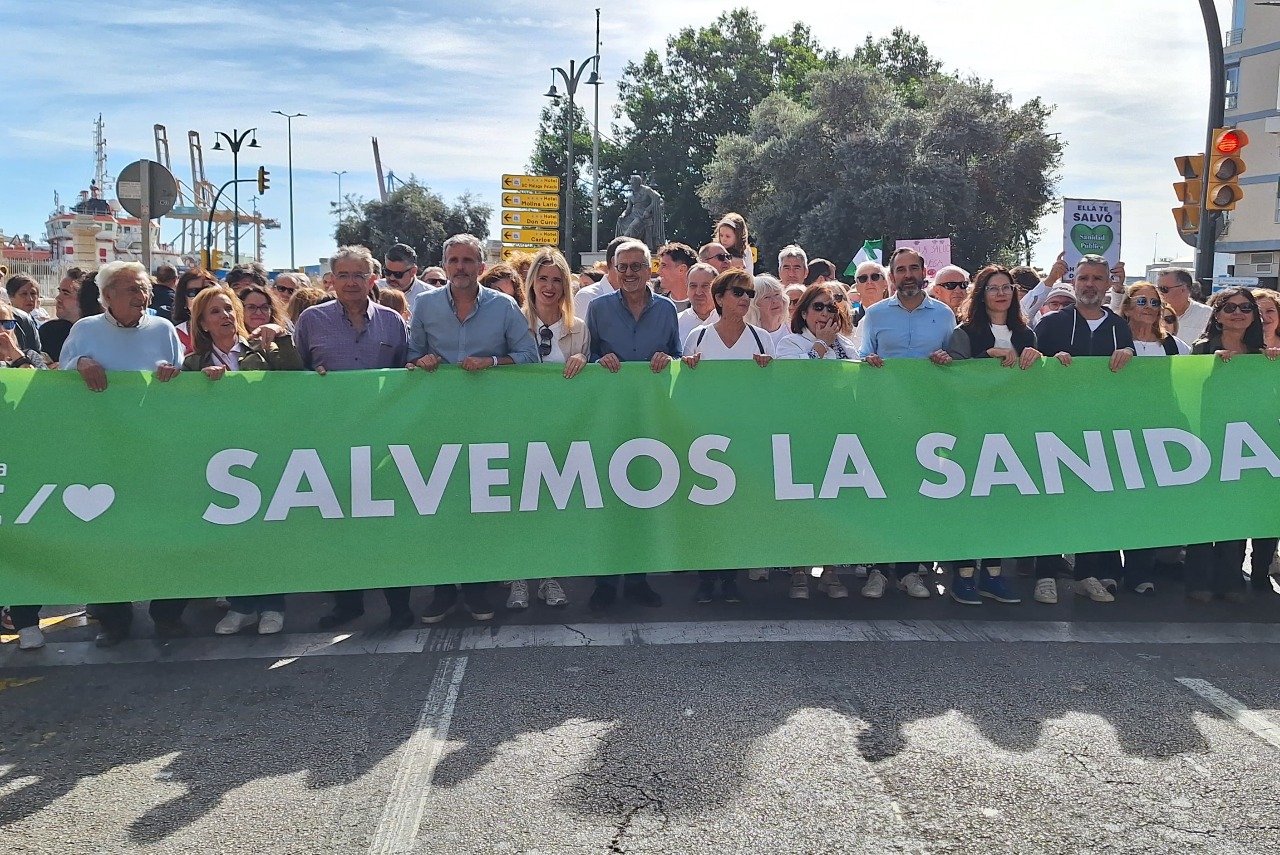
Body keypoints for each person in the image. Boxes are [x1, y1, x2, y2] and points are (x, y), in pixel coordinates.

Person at [406, 233, 539, 622]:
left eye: (468, 260)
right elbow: (410, 355)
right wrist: (422, 361)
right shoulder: (426, 305)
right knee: (443, 507)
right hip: (438, 422)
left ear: (481, 266)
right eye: (453, 260)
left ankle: (479, 591)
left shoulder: (504, 307)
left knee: (483, 506)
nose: (460, 267)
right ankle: (444, 591)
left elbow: (528, 355)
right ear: (445, 265)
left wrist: (493, 362)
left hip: (489, 423)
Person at [58, 261, 184, 646]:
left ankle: (167, 615)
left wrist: (171, 373)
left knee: (164, 533)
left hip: (154, 448)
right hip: (103, 451)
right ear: (107, 295)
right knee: (107, 537)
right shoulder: (85, 330)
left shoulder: (163, 329)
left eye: (144, 288)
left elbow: (181, 378)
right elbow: (58, 379)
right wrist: (80, 363)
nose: (141, 295)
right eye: (131, 289)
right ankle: (114, 620)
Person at [294, 246, 413, 630]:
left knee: (390, 522)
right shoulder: (311, 321)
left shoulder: (393, 322)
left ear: (372, 279)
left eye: (359, 275)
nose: (350, 282)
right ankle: (348, 603)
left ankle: (399, 604)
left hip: (384, 441)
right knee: (340, 524)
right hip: (332, 439)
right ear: (331, 280)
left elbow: (406, 378)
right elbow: (294, 377)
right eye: (343, 275)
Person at [183, 286, 301, 634]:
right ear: (203, 324)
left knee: (267, 531)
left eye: (229, 309)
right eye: (216, 312)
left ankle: (272, 606)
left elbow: (296, 377)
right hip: (220, 457)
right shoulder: (194, 363)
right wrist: (198, 385)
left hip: (265, 449)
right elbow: (185, 410)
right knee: (231, 532)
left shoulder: (261, 351)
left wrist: (283, 339)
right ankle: (241, 605)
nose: (226, 317)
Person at [1029, 254, 1136, 606]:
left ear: (1108, 284)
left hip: (1100, 431)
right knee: (1051, 503)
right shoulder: (1052, 323)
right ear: (1074, 282)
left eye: (1097, 279)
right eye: (1083, 278)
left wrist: (1130, 359)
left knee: (1092, 502)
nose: (1089, 284)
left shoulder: (1120, 326)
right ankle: (1045, 574)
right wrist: (1047, 363)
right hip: (1054, 430)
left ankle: (1085, 574)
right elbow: (1028, 370)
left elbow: (1133, 378)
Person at [585, 239, 679, 610]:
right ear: (613, 269)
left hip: (651, 416)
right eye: (622, 266)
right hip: (610, 414)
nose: (628, 273)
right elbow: (588, 354)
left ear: (649, 268)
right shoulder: (598, 308)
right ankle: (605, 583)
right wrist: (598, 359)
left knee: (643, 497)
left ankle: (639, 581)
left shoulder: (668, 310)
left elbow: (678, 353)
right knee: (608, 499)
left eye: (636, 266)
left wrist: (667, 358)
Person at [857, 248, 955, 599]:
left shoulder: (944, 315)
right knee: (881, 493)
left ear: (923, 271)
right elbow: (860, 356)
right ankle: (877, 571)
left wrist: (947, 361)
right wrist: (867, 361)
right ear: (892, 276)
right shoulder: (875, 314)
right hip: (884, 416)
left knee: (920, 493)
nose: (908, 274)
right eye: (901, 270)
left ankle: (912, 571)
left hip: (928, 419)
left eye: (914, 268)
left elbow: (956, 363)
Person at [941, 264, 1040, 605]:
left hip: (1011, 432)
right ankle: (964, 575)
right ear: (980, 295)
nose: (1001, 293)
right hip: (971, 431)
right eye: (993, 288)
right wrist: (985, 358)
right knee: (970, 504)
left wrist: (1037, 360)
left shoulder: (1027, 335)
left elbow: (1032, 386)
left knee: (1002, 505)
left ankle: (993, 575)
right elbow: (952, 382)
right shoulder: (963, 333)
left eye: (1007, 287)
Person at [680, 268, 773, 602]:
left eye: (749, 293)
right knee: (708, 511)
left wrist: (767, 374)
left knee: (738, 510)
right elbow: (685, 392)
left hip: (746, 437)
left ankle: (730, 577)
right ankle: (707, 577)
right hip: (706, 438)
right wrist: (687, 371)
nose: (745, 299)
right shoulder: (699, 338)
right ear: (719, 298)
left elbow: (772, 394)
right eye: (738, 292)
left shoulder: (763, 339)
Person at [1186, 287, 1280, 602]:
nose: (1238, 313)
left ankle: (1230, 579)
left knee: (1235, 515)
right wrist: (1209, 367)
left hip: (1247, 445)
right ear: (1218, 315)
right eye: (1230, 307)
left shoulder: (1261, 354)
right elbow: (1188, 392)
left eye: (1245, 308)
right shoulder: (1201, 349)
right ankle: (1199, 579)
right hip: (1206, 442)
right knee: (1204, 513)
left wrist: (1270, 367)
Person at [0, 301, 48, 648]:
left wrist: (16, 356)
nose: (3, 332)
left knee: (23, 540)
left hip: (20, 466)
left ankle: (26, 620)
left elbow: (51, 397)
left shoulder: (28, 357)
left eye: (7, 324)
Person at [1115, 267, 1211, 345]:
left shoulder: (1207, 314)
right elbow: (1117, 315)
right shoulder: (1149, 315)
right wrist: (1117, 289)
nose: (1159, 293)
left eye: (1164, 289)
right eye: (1158, 289)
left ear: (1183, 289)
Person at [573, 235, 631, 320]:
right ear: (614, 261)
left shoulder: (642, 298)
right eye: (630, 264)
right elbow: (583, 333)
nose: (632, 271)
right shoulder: (587, 296)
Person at [39, 267, 87, 367]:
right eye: (59, 292)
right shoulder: (48, 331)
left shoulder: (101, 332)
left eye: (66, 293)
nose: (58, 298)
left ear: (84, 299)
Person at [172, 268, 219, 354]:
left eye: (207, 290)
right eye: (192, 292)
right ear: (183, 300)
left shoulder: (231, 328)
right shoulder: (174, 336)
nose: (202, 296)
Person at [615, 175, 666, 248]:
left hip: (642, 215)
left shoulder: (646, 190)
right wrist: (623, 215)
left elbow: (657, 198)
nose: (632, 185)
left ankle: (631, 246)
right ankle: (621, 244)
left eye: (633, 183)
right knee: (621, 221)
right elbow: (628, 209)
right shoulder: (631, 196)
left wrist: (648, 210)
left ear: (638, 183)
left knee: (632, 227)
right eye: (631, 183)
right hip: (633, 214)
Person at [850, 261, 889, 353]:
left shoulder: (897, 316)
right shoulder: (846, 319)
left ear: (885, 283)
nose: (869, 282)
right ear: (857, 287)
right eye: (863, 279)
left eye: (875, 277)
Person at [678, 263, 720, 342]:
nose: (698, 292)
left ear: (716, 289)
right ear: (687, 289)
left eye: (705, 286)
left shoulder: (729, 322)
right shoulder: (676, 323)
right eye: (693, 286)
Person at [748, 274, 791, 348]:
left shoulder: (793, 328)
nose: (775, 301)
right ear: (754, 303)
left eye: (777, 294)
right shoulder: (747, 334)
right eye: (767, 297)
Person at [656, 242, 696, 308]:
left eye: (664, 265)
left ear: (682, 269)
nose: (658, 271)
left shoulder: (705, 306)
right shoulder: (656, 306)